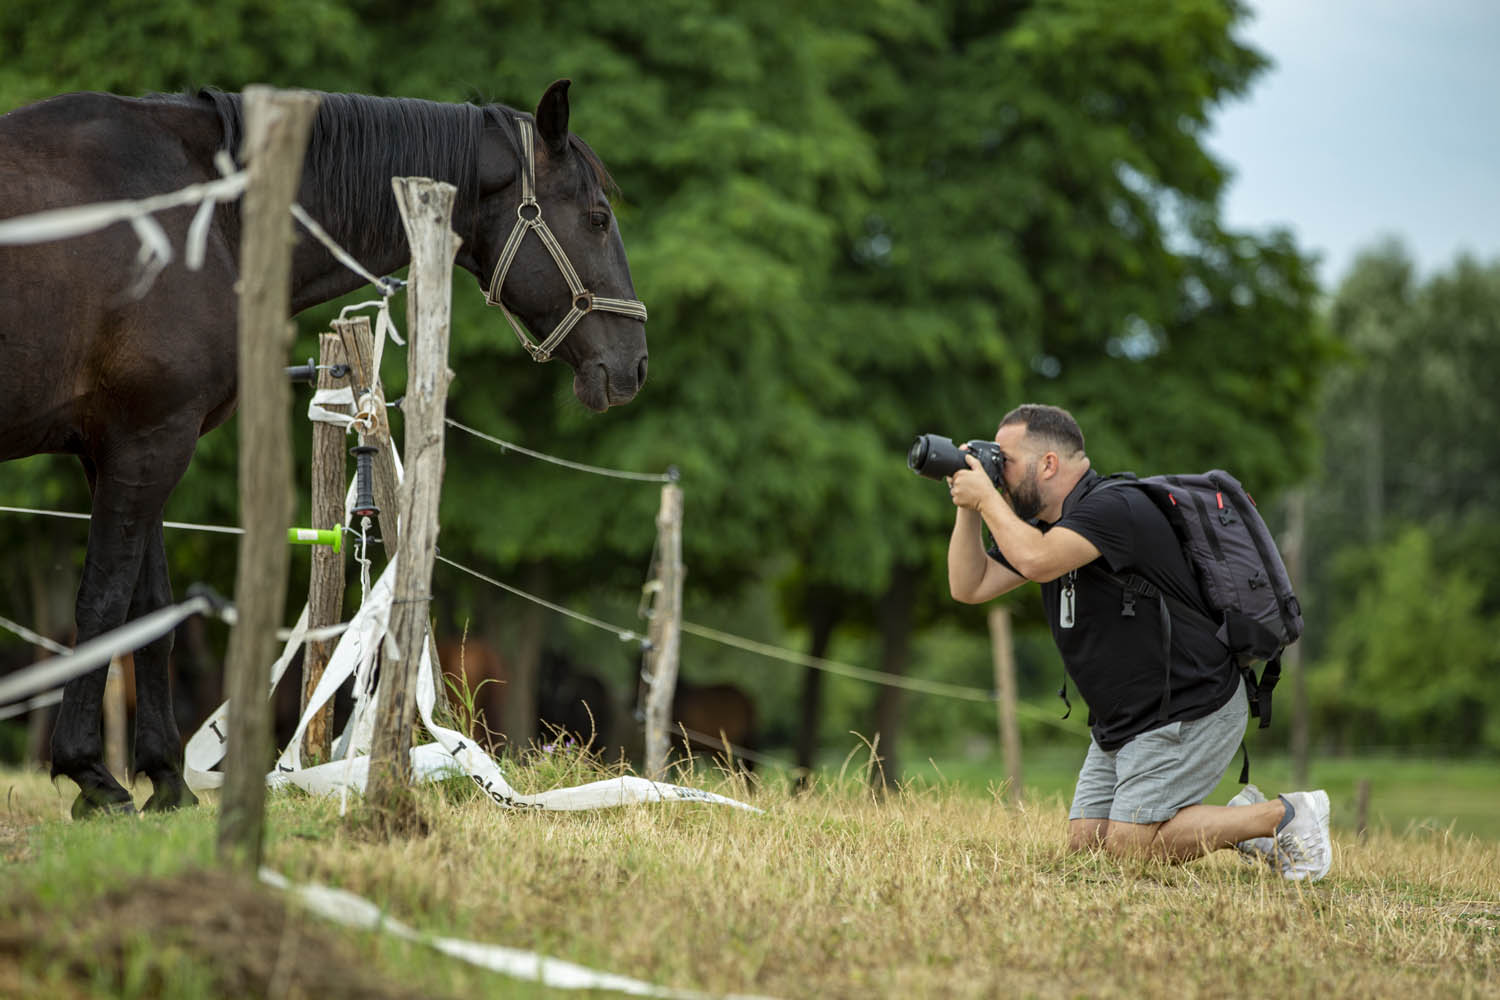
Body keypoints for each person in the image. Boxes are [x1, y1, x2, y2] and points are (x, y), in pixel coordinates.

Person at [946, 403, 1331, 880]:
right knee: (1088, 846)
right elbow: (969, 585)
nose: (997, 474)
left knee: (1131, 847)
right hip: (1126, 718)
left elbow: (1038, 562)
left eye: (1004, 462)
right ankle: (1241, 825)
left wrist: (986, 499)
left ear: (1048, 464)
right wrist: (968, 507)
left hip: (1189, 703)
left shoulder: (1113, 508)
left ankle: (1286, 815)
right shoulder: (1046, 529)